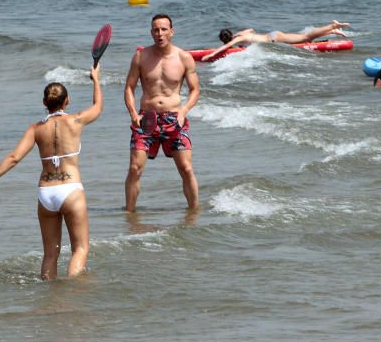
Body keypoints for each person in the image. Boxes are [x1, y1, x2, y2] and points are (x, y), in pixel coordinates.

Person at [0, 66, 103, 280]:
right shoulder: (76, 120)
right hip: (71, 190)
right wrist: (96, 80)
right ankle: (73, 296)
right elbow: (98, 106)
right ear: (67, 101)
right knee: (80, 249)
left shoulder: (35, 128)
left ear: (44, 103)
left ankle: (48, 299)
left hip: (46, 194)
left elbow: (14, 158)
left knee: (50, 254)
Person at [124, 14, 200, 212]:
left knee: (186, 169)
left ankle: (194, 213)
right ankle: (130, 215)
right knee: (134, 169)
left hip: (174, 118)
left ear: (171, 32)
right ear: (151, 32)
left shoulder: (184, 58)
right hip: (145, 119)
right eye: (156, 30)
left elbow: (195, 90)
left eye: (164, 29)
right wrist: (133, 113)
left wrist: (184, 110)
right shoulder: (141, 57)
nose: (160, 33)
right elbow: (129, 88)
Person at [201, 21, 349, 61]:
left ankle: (332, 25)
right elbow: (251, 29)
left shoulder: (238, 39)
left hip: (274, 38)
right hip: (272, 35)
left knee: (306, 37)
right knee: (304, 38)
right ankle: (331, 31)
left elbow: (225, 47)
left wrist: (211, 55)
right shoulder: (241, 35)